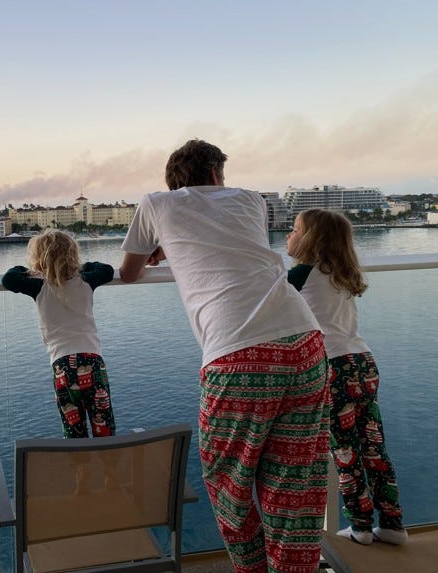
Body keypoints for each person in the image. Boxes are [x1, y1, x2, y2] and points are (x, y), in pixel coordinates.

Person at [119, 139, 330, 573]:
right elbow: (229, 242)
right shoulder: (253, 200)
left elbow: (128, 272)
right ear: (216, 173)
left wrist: (161, 248)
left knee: (228, 481)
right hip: (305, 342)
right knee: (293, 482)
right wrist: (173, 244)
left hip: (240, 356)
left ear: (174, 179)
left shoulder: (156, 204)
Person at [286, 208, 407, 546]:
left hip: (333, 366)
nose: (288, 236)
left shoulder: (301, 274)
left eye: (294, 230)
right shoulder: (342, 272)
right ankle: (394, 524)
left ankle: (361, 526)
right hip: (363, 362)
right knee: (373, 446)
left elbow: (275, 308)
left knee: (344, 450)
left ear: (311, 239)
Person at [2, 229, 116, 439]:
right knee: (105, 428)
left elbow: (9, 279)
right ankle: (109, 468)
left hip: (62, 366)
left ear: (39, 260)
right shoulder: (86, 280)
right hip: (93, 362)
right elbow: (107, 270)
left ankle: (79, 470)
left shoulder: (38, 285)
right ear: (72, 255)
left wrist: (30, 270)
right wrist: (82, 267)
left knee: (74, 431)